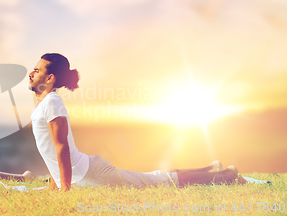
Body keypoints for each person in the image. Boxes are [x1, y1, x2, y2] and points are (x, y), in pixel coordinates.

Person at [28, 53, 245, 191]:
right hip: (84, 174)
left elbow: (61, 147)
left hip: (90, 175)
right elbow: (52, 153)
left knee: (159, 183)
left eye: (37, 70)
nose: (31, 73)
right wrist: (54, 187)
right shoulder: (43, 103)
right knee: (154, 178)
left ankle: (227, 175)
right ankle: (210, 168)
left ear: (50, 79)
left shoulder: (52, 102)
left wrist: (64, 191)